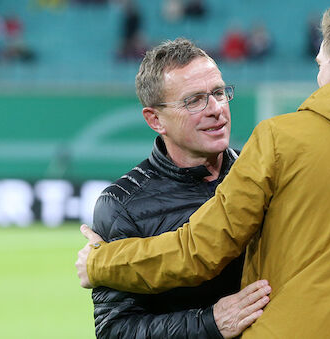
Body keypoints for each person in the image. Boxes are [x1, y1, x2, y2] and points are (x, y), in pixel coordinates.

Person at [77, 1, 330, 337]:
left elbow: (199, 250)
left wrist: (100, 262)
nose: (215, 108)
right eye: (195, 100)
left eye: (320, 62)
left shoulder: (280, 142)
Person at [89, 38, 272, 339]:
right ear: (155, 119)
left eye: (218, 93)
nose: (215, 109)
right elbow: (115, 330)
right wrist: (209, 323)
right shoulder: (122, 205)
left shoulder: (261, 174)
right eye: (194, 100)